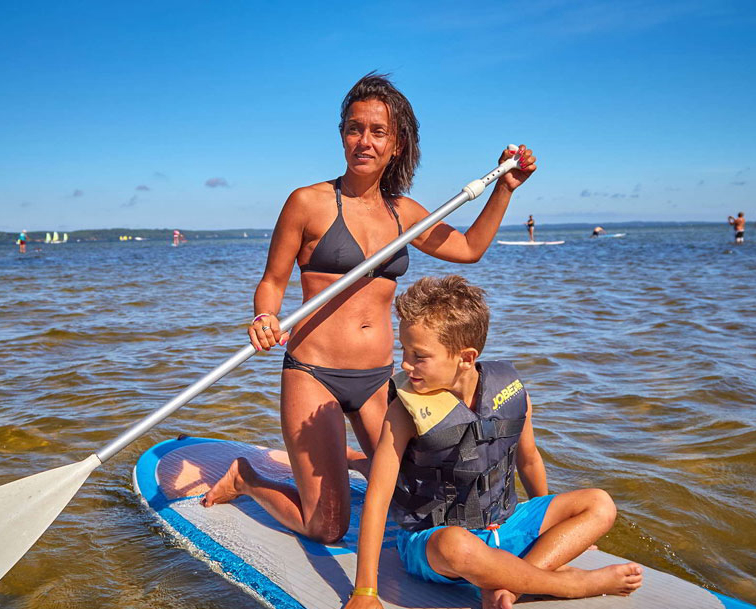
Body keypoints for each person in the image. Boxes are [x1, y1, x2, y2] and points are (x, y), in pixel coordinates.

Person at [201, 72, 537, 544]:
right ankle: (248, 478)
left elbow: (468, 248)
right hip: (313, 373)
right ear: (342, 135)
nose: (364, 140)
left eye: (378, 132)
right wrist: (264, 318)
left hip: (379, 378)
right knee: (327, 527)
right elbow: (272, 281)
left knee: (421, 489)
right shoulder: (307, 203)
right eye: (354, 128)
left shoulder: (405, 213)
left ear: (396, 144)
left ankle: (343, 463)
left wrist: (505, 188)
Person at [325, 276, 642, 609]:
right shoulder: (404, 412)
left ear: (466, 358)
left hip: (503, 524)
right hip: (436, 541)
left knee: (599, 504)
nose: (406, 365)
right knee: (456, 547)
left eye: (419, 355)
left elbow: (529, 459)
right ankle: (571, 584)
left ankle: (509, 587)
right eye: (405, 351)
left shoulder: (510, 391)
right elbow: (378, 499)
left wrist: (553, 527)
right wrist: (364, 590)